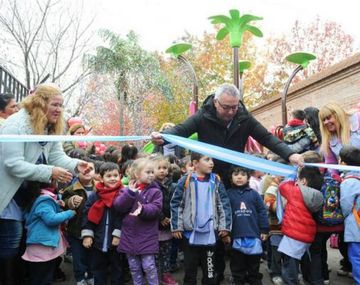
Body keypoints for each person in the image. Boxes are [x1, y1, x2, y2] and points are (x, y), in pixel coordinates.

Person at [0, 83, 88, 284]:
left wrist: (77, 165)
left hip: (28, 196)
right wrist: (49, 172)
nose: (59, 109)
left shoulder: (50, 126)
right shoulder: (15, 125)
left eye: (61, 105)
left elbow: (57, 156)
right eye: (55, 104)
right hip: (8, 196)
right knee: (10, 248)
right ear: (40, 104)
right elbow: (13, 165)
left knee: (25, 244)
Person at [151, 83, 303, 186]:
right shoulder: (202, 116)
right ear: (216, 102)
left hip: (235, 176)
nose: (231, 112)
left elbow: (266, 138)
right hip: (207, 175)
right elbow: (181, 130)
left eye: (234, 107)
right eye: (226, 107)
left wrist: (290, 155)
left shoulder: (244, 118)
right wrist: (162, 137)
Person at [170, 152, 232, 285]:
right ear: (195, 163)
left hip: (210, 236)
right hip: (189, 235)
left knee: (210, 274)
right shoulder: (185, 180)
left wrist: (224, 226)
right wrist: (176, 226)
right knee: (190, 273)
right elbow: (176, 204)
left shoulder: (216, 180)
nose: (212, 163)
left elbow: (224, 204)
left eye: (212, 159)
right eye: (207, 159)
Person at [319, 102, 360, 276]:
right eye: (323, 120)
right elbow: (331, 166)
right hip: (350, 184)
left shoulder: (356, 121)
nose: (327, 122)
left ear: (338, 114)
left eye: (329, 117)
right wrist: (334, 180)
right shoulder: (329, 139)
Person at [113, 158, 163, 285]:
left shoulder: (155, 191)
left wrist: (143, 209)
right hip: (129, 235)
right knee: (134, 267)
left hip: (147, 235)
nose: (151, 174)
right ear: (137, 174)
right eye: (148, 172)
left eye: (153, 172)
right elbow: (118, 206)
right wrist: (130, 193)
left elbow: (156, 209)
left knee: (149, 266)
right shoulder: (126, 189)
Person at [277, 152, 324, 285]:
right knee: (303, 260)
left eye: (298, 179)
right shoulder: (318, 195)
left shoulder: (297, 192)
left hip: (294, 234)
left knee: (289, 264)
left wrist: (292, 175)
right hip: (306, 234)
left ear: (303, 181)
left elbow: (282, 187)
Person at [22, 181, 75, 285]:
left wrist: (56, 204)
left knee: (39, 276)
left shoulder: (38, 197)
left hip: (39, 246)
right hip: (42, 247)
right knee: (43, 278)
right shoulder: (45, 200)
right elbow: (51, 219)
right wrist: (69, 213)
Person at [82, 162, 124, 285]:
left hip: (115, 240)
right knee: (98, 269)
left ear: (120, 176)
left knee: (117, 269)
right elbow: (87, 214)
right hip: (98, 239)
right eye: (109, 176)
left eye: (115, 175)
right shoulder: (96, 195)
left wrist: (118, 234)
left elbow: (123, 216)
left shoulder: (123, 194)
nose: (112, 178)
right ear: (101, 178)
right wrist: (87, 234)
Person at [227, 166, 269, 285]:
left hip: (253, 235)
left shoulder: (254, 194)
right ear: (231, 178)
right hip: (236, 236)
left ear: (248, 177)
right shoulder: (228, 194)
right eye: (235, 174)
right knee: (237, 267)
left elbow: (262, 212)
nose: (239, 177)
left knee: (253, 267)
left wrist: (264, 230)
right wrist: (226, 233)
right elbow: (224, 214)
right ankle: (238, 281)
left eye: (242, 174)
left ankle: (254, 281)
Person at [62, 158, 96, 285]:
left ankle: (91, 275)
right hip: (76, 230)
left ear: (95, 171)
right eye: (84, 169)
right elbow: (63, 204)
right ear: (77, 172)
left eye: (90, 169)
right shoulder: (71, 189)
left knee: (93, 255)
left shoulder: (99, 187)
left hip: (94, 229)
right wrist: (69, 202)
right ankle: (80, 278)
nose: (87, 171)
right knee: (78, 256)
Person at [150, 155, 178, 285]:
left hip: (168, 225)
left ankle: (166, 274)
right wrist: (161, 217)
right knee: (154, 253)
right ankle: (153, 275)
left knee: (166, 252)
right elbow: (151, 203)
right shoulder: (150, 185)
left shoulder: (171, 185)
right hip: (154, 225)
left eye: (164, 168)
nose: (162, 171)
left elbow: (174, 203)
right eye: (159, 168)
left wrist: (171, 218)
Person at [339, 145, 360, 284]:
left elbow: (346, 205)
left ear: (344, 163)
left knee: (357, 256)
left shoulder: (350, 180)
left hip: (356, 225)